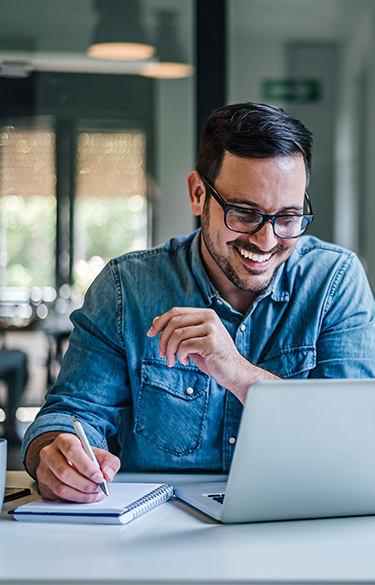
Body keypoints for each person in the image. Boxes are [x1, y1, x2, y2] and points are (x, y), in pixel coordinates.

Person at [22, 102, 375, 503]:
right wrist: (54, 455)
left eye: (288, 217)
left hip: (299, 523)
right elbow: (68, 413)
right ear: (197, 194)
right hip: (158, 532)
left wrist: (240, 373)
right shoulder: (127, 288)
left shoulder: (335, 282)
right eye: (244, 213)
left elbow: (356, 440)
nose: (266, 240)